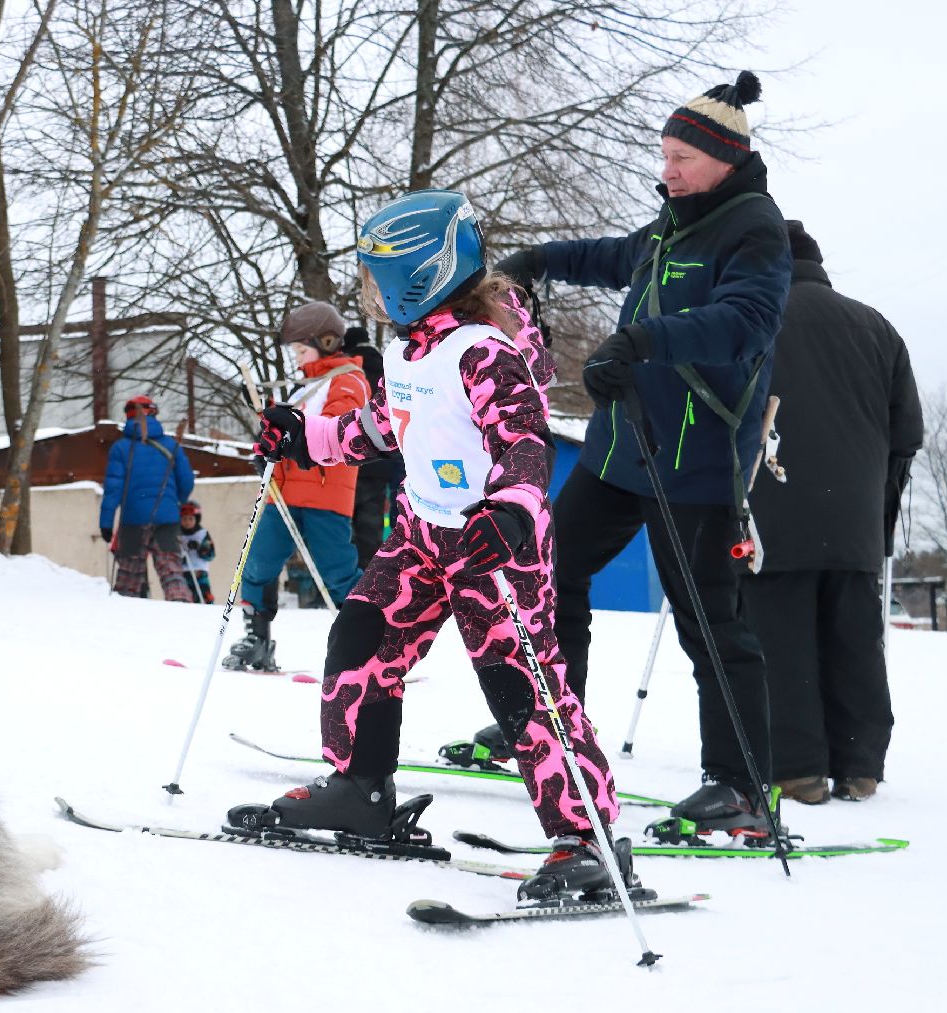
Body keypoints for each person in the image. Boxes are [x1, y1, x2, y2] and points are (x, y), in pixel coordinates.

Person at [236, 189, 642, 906]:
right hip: (422, 534)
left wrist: (512, 510)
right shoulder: (406, 350)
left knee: (523, 686)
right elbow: (382, 431)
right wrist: (303, 437)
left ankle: (589, 839)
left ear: (418, 276)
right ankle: (359, 788)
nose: (369, 294)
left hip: (495, 545)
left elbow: (523, 442)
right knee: (361, 636)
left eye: (375, 279)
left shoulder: (482, 351)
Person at [489, 71, 791, 833]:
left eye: (681, 157)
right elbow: (614, 257)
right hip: (620, 450)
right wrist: (538, 259)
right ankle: (556, 726)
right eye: (664, 155)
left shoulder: (755, 228)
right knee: (551, 571)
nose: (668, 170)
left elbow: (747, 322)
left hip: (694, 460)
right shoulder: (672, 222)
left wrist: (643, 339)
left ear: (725, 158)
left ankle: (741, 787)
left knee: (709, 622)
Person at [740, 221, 923, 804]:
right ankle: (859, 765)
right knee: (855, 639)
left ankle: (798, 770)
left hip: (772, 509)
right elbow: (907, 433)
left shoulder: (749, 320)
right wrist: (877, 503)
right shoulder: (877, 327)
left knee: (781, 638)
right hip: (856, 520)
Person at [225, 302, 367, 672]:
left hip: (325, 492)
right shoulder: (302, 385)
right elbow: (287, 428)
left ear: (327, 341)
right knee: (258, 562)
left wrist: (288, 435)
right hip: (283, 492)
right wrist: (267, 444)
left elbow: (334, 428)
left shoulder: (348, 380)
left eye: (302, 350)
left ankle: (367, 645)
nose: (297, 358)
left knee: (337, 571)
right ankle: (257, 639)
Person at [99, 395, 195, 601]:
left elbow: (113, 490)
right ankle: (181, 606)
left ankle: (125, 611)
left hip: (133, 519)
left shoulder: (121, 448)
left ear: (128, 416)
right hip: (167, 518)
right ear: (153, 413)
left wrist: (106, 524)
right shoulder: (171, 445)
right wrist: (175, 501)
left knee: (130, 574)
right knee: (171, 570)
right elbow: (186, 480)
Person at [344, 325, 403, 568]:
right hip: (381, 462)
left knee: (346, 528)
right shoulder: (385, 366)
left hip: (349, 458)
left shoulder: (348, 371)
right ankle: (370, 574)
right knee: (371, 527)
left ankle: (348, 581)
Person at [178, 500, 216, 603]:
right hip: (183, 574)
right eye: (184, 519)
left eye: (190, 519)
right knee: (184, 599)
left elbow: (211, 554)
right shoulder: (178, 536)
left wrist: (200, 548)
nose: (187, 522)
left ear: (196, 519)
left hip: (200, 573)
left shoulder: (202, 534)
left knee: (204, 597)